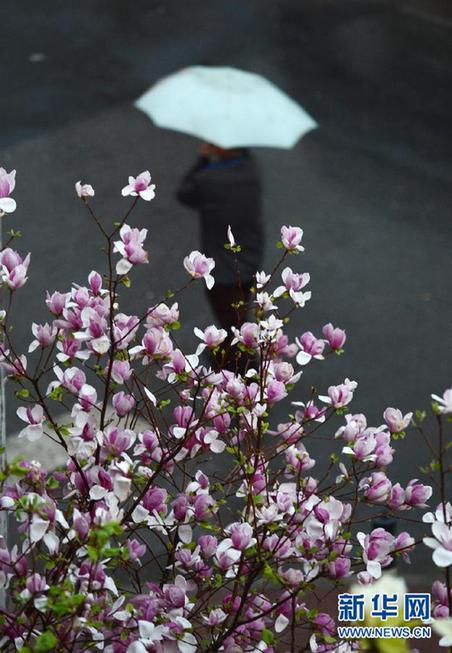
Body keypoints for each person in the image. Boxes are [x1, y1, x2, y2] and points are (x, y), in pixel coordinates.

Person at [176, 143, 264, 338]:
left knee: (232, 324)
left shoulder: (209, 179)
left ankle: (239, 364)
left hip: (222, 268)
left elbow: (184, 193)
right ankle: (234, 351)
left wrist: (204, 159)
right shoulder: (252, 170)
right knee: (239, 314)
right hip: (250, 258)